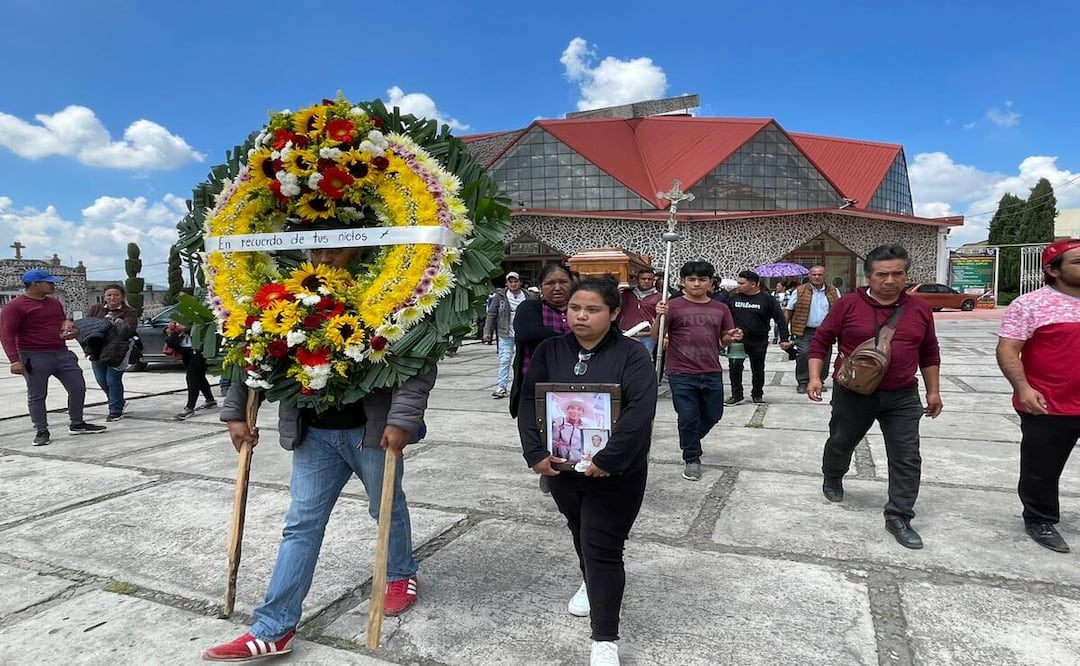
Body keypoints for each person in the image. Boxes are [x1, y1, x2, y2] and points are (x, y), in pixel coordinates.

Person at [203, 244, 436, 662]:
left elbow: (418, 362)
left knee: (386, 510)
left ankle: (400, 573)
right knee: (301, 525)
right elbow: (250, 351)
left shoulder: (389, 290)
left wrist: (402, 420)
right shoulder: (284, 294)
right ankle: (274, 628)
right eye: (317, 246)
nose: (325, 255)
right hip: (314, 436)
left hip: (373, 433)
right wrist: (235, 411)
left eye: (337, 246)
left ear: (363, 243)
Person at [518, 277, 657, 666]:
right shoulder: (550, 350)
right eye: (575, 308)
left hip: (616, 474)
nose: (581, 315)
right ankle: (589, 580)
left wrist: (608, 460)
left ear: (614, 313)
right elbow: (530, 400)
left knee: (604, 547)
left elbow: (639, 413)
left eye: (593, 309)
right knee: (580, 532)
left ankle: (605, 637)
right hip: (563, 470)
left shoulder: (632, 355)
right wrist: (534, 452)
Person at [807, 244, 942, 550]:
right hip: (853, 392)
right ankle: (833, 475)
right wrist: (815, 377)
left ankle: (899, 516)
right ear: (869, 276)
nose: (891, 280)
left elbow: (929, 351)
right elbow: (822, 340)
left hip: (903, 395)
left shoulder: (919, 309)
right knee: (841, 442)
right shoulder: (848, 305)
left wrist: (933, 391)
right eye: (883, 274)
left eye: (898, 273)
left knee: (907, 456)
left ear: (907, 274)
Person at [996, 238, 1080, 553]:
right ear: (1052, 270)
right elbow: (1008, 349)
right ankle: (1040, 519)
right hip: (1049, 404)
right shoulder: (1030, 304)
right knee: (1042, 469)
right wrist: (1023, 388)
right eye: (1077, 262)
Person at [653, 261, 741, 481]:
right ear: (683, 282)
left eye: (702, 279)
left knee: (714, 414)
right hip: (680, 372)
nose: (696, 284)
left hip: (711, 369)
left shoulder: (720, 308)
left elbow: (724, 338)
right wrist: (658, 316)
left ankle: (689, 439)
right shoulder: (672, 305)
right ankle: (692, 457)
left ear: (711, 282)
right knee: (688, 417)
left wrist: (733, 336)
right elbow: (656, 336)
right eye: (691, 279)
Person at [0, 269, 107, 446]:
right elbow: (6, 334)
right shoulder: (15, 306)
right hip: (34, 356)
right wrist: (14, 360)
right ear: (35, 284)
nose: (53, 285)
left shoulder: (54, 303)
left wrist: (71, 330)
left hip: (61, 353)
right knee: (37, 395)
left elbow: (62, 321)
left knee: (77, 387)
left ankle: (77, 423)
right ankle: (41, 430)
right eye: (49, 282)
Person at [509, 263, 576, 418]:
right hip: (536, 391)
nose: (557, 287)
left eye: (563, 282)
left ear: (572, 284)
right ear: (540, 287)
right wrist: (577, 340)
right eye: (550, 283)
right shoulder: (530, 307)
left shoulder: (582, 310)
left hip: (579, 391)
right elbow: (527, 333)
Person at [726, 270, 792, 405]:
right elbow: (723, 316)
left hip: (759, 340)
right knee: (735, 368)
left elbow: (780, 319)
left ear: (754, 284)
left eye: (742, 283)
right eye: (738, 282)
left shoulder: (767, 299)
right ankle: (736, 395)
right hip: (737, 340)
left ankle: (757, 394)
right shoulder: (733, 297)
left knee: (757, 368)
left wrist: (784, 339)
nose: (738, 285)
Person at [786, 266, 841, 394]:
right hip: (804, 330)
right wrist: (785, 330)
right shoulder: (799, 291)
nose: (817, 277)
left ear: (825, 276)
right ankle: (803, 381)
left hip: (825, 331)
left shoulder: (833, 291)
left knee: (825, 356)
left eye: (820, 274)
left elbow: (840, 310)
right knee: (804, 354)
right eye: (814, 274)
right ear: (809, 276)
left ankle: (819, 380)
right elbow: (789, 310)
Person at [86, 284, 138, 421]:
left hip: (117, 350)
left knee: (112, 379)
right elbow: (88, 325)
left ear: (122, 297)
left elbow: (129, 329)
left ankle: (115, 410)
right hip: (97, 348)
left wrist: (117, 322)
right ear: (104, 296)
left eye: (116, 295)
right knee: (101, 379)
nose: (112, 297)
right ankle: (118, 401)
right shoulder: (95, 309)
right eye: (109, 295)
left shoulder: (129, 312)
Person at [483, 271, 535, 399]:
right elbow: (491, 314)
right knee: (505, 359)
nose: (513, 284)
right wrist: (487, 331)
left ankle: (524, 386)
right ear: (507, 283)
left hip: (522, 332)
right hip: (505, 332)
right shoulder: (500, 297)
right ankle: (502, 386)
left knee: (523, 360)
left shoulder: (528, 296)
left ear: (520, 283)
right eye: (510, 282)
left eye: (516, 281)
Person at [169, 313, 218, 420]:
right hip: (186, 351)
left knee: (191, 377)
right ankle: (210, 400)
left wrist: (186, 329)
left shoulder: (198, 311)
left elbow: (205, 327)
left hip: (199, 350)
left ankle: (189, 408)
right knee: (199, 377)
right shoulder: (180, 313)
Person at [618, 268, 661, 356]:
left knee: (644, 363)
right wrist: (616, 294)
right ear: (637, 280)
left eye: (649, 279)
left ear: (653, 280)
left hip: (648, 336)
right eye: (643, 279)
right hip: (627, 334)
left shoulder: (659, 297)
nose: (646, 281)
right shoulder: (626, 294)